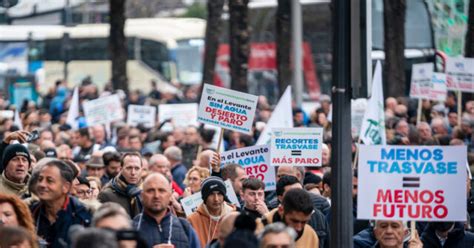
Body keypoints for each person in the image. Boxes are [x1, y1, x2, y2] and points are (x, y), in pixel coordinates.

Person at [30, 159, 93, 247]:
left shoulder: (84, 216)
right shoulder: (29, 213)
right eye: (40, 179)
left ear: (65, 187)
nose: (42, 184)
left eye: (49, 180)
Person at [133, 173, 201, 248]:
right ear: (142, 196)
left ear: (170, 195)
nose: (156, 196)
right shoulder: (131, 227)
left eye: (161, 191)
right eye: (150, 191)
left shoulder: (185, 227)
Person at [188, 176, 236, 247]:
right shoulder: (192, 220)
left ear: (224, 196)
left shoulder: (235, 217)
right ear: (204, 197)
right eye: (211, 194)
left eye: (219, 194)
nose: (216, 199)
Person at [98, 152, 143, 218]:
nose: (133, 173)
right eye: (129, 168)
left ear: (141, 169)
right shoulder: (107, 195)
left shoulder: (146, 193)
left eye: (137, 168)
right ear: (121, 169)